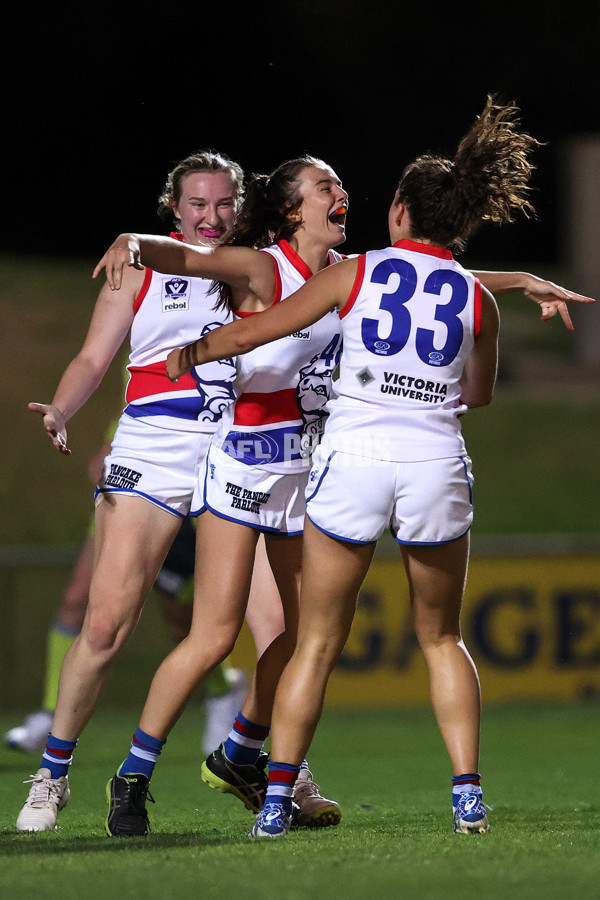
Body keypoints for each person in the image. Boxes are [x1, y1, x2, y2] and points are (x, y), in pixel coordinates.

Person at [90, 143, 590, 840]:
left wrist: (521, 279)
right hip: (244, 461)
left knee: (305, 637)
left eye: (344, 186)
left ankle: (245, 758)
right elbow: (194, 262)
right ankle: (134, 776)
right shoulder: (269, 264)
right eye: (327, 187)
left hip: (313, 468)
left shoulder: (348, 272)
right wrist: (134, 242)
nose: (340, 194)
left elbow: (421, 275)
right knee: (215, 636)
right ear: (293, 207)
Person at [14, 150, 291, 833]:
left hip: (233, 450)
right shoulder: (136, 266)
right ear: (175, 208)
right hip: (153, 450)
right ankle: (53, 773)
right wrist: (61, 408)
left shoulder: (259, 267)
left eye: (224, 203)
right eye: (197, 204)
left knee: (280, 629)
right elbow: (92, 357)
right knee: (106, 624)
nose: (211, 216)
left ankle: (277, 763)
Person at [4, 445, 247, 759]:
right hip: (130, 486)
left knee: (183, 624)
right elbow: (118, 423)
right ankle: (53, 731)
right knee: (90, 613)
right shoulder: (128, 400)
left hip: (195, 486)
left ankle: (223, 691)